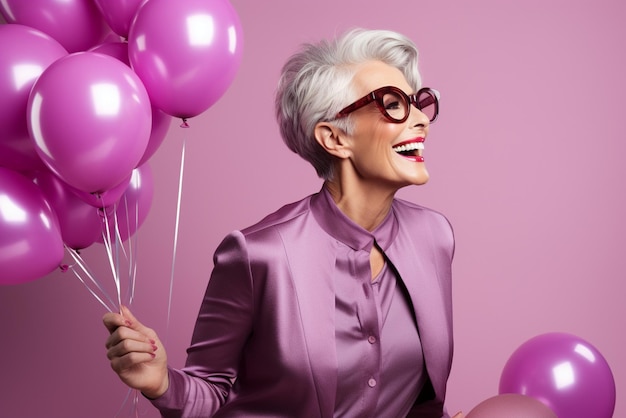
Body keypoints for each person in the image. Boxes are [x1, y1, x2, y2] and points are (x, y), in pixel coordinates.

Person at [104, 28, 459, 418]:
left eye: (418, 103)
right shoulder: (259, 254)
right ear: (334, 138)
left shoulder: (434, 237)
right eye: (393, 105)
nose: (421, 122)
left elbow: (417, 397)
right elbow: (211, 391)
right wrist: (161, 383)